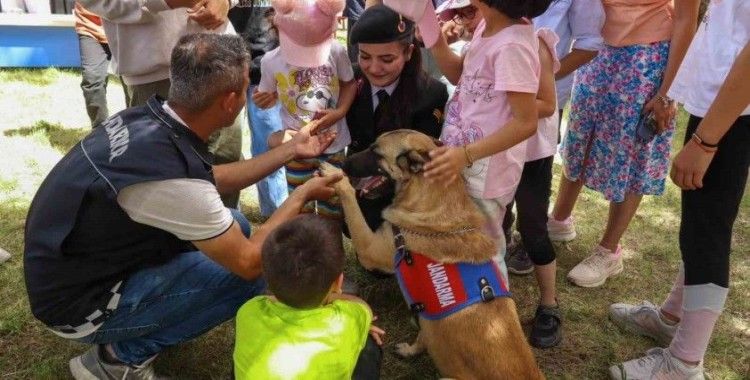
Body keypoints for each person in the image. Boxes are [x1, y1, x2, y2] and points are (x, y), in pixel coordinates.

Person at [23, 34, 341, 380]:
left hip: (75, 270)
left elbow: (210, 179)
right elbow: (250, 262)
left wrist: (292, 150)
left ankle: (156, 315)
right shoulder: (170, 179)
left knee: (236, 223)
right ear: (230, 100)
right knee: (261, 269)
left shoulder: (148, 119)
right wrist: (302, 194)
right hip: (80, 307)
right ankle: (117, 360)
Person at [608, 1, 750, 378]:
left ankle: (685, 363)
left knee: (707, 233)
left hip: (735, 110)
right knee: (701, 225)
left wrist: (705, 143)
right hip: (723, 101)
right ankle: (672, 317)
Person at [385, 0, 552, 283]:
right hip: (463, 159)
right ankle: (464, 300)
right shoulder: (487, 26)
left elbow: (525, 122)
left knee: (485, 249)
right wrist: (425, 17)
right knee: (460, 239)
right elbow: (458, 75)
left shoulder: (512, 46)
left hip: (485, 172)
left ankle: (494, 316)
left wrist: (465, 155)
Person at [548, 0, 700, 288]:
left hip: (647, 56)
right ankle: (559, 219)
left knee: (633, 152)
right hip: (598, 49)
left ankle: (608, 251)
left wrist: (667, 93)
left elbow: (685, 21)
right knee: (581, 137)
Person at [80, 0, 247, 208]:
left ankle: (230, 231)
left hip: (218, 54)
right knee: (164, 175)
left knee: (225, 157)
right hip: (153, 70)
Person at [234, 214, 384, 379]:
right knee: (369, 340)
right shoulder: (347, 320)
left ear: (267, 276)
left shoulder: (248, 310)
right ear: (339, 281)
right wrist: (337, 298)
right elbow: (364, 309)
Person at [345, 4, 449, 232]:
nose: (374, 68)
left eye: (387, 59)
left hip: (404, 194)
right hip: (358, 177)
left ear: (409, 52)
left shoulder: (432, 94)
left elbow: (420, 168)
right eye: (365, 56)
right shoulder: (349, 81)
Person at [254, 0, 356, 220]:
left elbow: (349, 83)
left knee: (333, 206)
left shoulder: (336, 52)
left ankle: (330, 248)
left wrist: (339, 112)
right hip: (296, 148)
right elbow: (269, 97)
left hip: (333, 144)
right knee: (301, 206)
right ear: (278, 26)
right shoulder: (271, 62)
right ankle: (306, 250)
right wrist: (266, 100)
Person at [229, 3, 288, 217]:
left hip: (266, 73)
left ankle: (276, 214)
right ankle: (226, 213)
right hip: (226, 67)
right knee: (224, 149)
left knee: (270, 148)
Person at [74, 2, 129, 127]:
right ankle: (101, 132)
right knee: (92, 80)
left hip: (124, 23)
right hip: (90, 26)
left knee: (132, 83)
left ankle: (137, 131)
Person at [433, 0, 483, 96]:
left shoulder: (508, 46)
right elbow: (458, 77)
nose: (465, 22)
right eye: (460, 16)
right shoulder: (469, 47)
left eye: (470, 11)